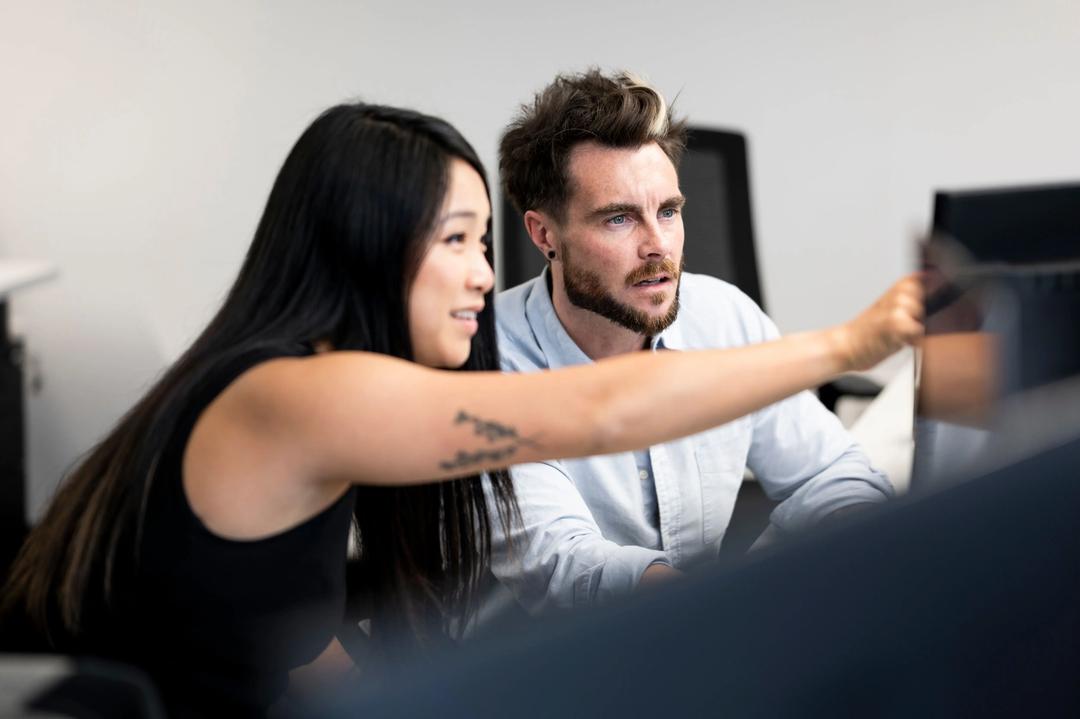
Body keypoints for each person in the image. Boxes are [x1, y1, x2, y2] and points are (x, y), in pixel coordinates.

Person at [1, 101, 920, 717]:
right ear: (369, 246)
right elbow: (599, 411)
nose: (485, 274)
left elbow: (295, 635)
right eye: (456, 241)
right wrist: (848, 344)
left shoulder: (304, 391)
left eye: (483, 241)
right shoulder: (299, 394)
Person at [490, 68, 906, 614]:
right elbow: (568, 567)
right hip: (545, 672)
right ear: (545, 235)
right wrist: (731, 609)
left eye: (668, 211)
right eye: (619, 219)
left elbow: (832, 473)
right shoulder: (488, 362)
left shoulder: (722, 315)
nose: (658, 246)